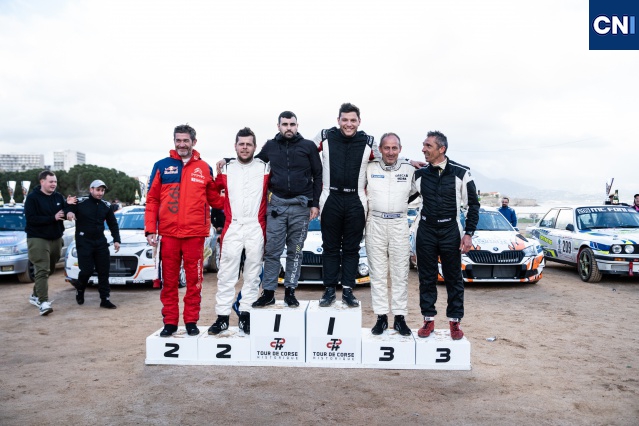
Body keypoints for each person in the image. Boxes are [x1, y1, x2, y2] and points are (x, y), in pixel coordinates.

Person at [312, 103, 423, 308]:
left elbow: (387, 158)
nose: (349, 124)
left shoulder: (368, 141)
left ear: (359, 122)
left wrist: (409, 161)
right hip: (330, 197)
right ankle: (329, 291)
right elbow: (306, 152)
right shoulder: (325, 136)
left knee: (352, 248)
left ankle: (347, 290)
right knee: (330, 247)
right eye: (345, 120)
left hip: (356, 200)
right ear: (338, 120)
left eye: (353, 120)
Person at [145, 124, 224, 338]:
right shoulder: (161, 166)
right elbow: (152, 200)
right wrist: (151, 229)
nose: (181, 144)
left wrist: (223, 179)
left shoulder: (204, 168)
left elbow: (216, 200)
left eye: (185, 140)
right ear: (174, 142)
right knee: (169, 282)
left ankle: (191, 321)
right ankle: (170, 323)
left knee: (194, 282)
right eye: (178, 140)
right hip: (169, 234)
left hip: (195, 235)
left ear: (193, 142)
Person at [251, 111, 322, 308]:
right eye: (285, 124)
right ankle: (269, 292)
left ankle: (290, 291)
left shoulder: (308, 146)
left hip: (301, 207)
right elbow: (253, 164)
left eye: (292, 124)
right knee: (272, 251)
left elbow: (318, 175)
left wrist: (315, 203)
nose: (288, 128)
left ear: (297, 125)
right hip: (277, 207)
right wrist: (228, 160)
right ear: (278, 126)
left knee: (295, 251)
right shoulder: (270, 146)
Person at [414, 130, 480, 340]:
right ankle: (428, 319)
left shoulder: (461, 172)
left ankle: (455, 322)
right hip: (426, 230)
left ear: (441, 149)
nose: (423, 149)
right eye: (424, 145)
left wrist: (468, 234)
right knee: (426, 278)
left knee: (453, 278)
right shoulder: (419, 174)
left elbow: (473, 205)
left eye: (428, 146)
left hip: (450, 230)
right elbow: (404, 197)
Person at [208, 127, 269, 336]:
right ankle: (222, 317)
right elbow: (212, 192)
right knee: (226, 273)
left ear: (255, 147)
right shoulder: (226, 168)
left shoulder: (265, 167)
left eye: (248, 144)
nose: (244, 148)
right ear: (235, 146)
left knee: (253, 274)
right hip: (232, 225)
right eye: (241, 144)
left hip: (255, 226)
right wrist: (223, 206)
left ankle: (246, 315)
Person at [365, 133, 418, 336]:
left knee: (400, 273)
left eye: (394, 148)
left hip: (399, 222)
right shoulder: (370, 167)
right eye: (386, 148)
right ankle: (381, 317)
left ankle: (399, 318)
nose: (390, 152)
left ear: (400, 149)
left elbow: (414, 192)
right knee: (377, 273)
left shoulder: (409, 168)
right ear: (380, 149)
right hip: (375, 222)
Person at [24, 170, 74, 316]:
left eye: (55, 182)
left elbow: (64, 210)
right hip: (37, 238)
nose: (54, 184)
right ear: (42, 182)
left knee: (49, 270)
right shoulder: (32, 198)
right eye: (51, 181)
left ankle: (35, 295)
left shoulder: (58, 197)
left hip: (56, 238)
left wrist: (69, 210)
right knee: (42, 269)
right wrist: (53, 217)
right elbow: (31, 219)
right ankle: (43, 303)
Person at [66, 180, 121, 309]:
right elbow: (67, 207)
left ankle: (105, 299)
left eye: (102, 190)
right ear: (91, 189)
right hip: (84, 241)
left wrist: (117, 240)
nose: (100, 193)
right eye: (98, 190)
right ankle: (80, 288)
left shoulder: (106, 206)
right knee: (87, 270)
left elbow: (113, 224)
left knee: (104, 271)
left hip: (100, 241)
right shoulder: (80, 202)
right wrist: (69, 211)